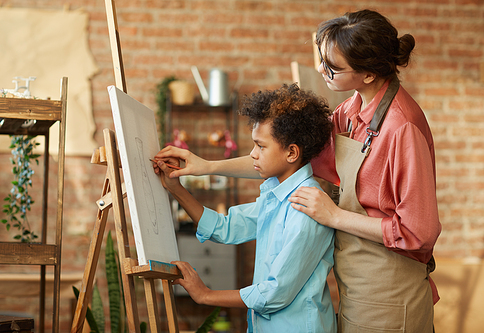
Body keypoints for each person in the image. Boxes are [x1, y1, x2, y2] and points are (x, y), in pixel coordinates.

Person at [155, 9, 442, 333]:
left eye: (333, 67)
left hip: (391, 291)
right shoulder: (349, 112)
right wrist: (205, 166)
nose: (322, 70)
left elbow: (419, 232)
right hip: (356, 286)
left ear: (369, 74)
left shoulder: (402, 127)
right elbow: (282, 157)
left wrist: (335, 217)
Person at [155, 84, 337, 333]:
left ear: (292, 152)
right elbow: (225, 227)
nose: (252, 155)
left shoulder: (307, 207)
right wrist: (176, 189)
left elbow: (274, 293)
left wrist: (206, 295)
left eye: (261, 147)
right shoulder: (277, 194)